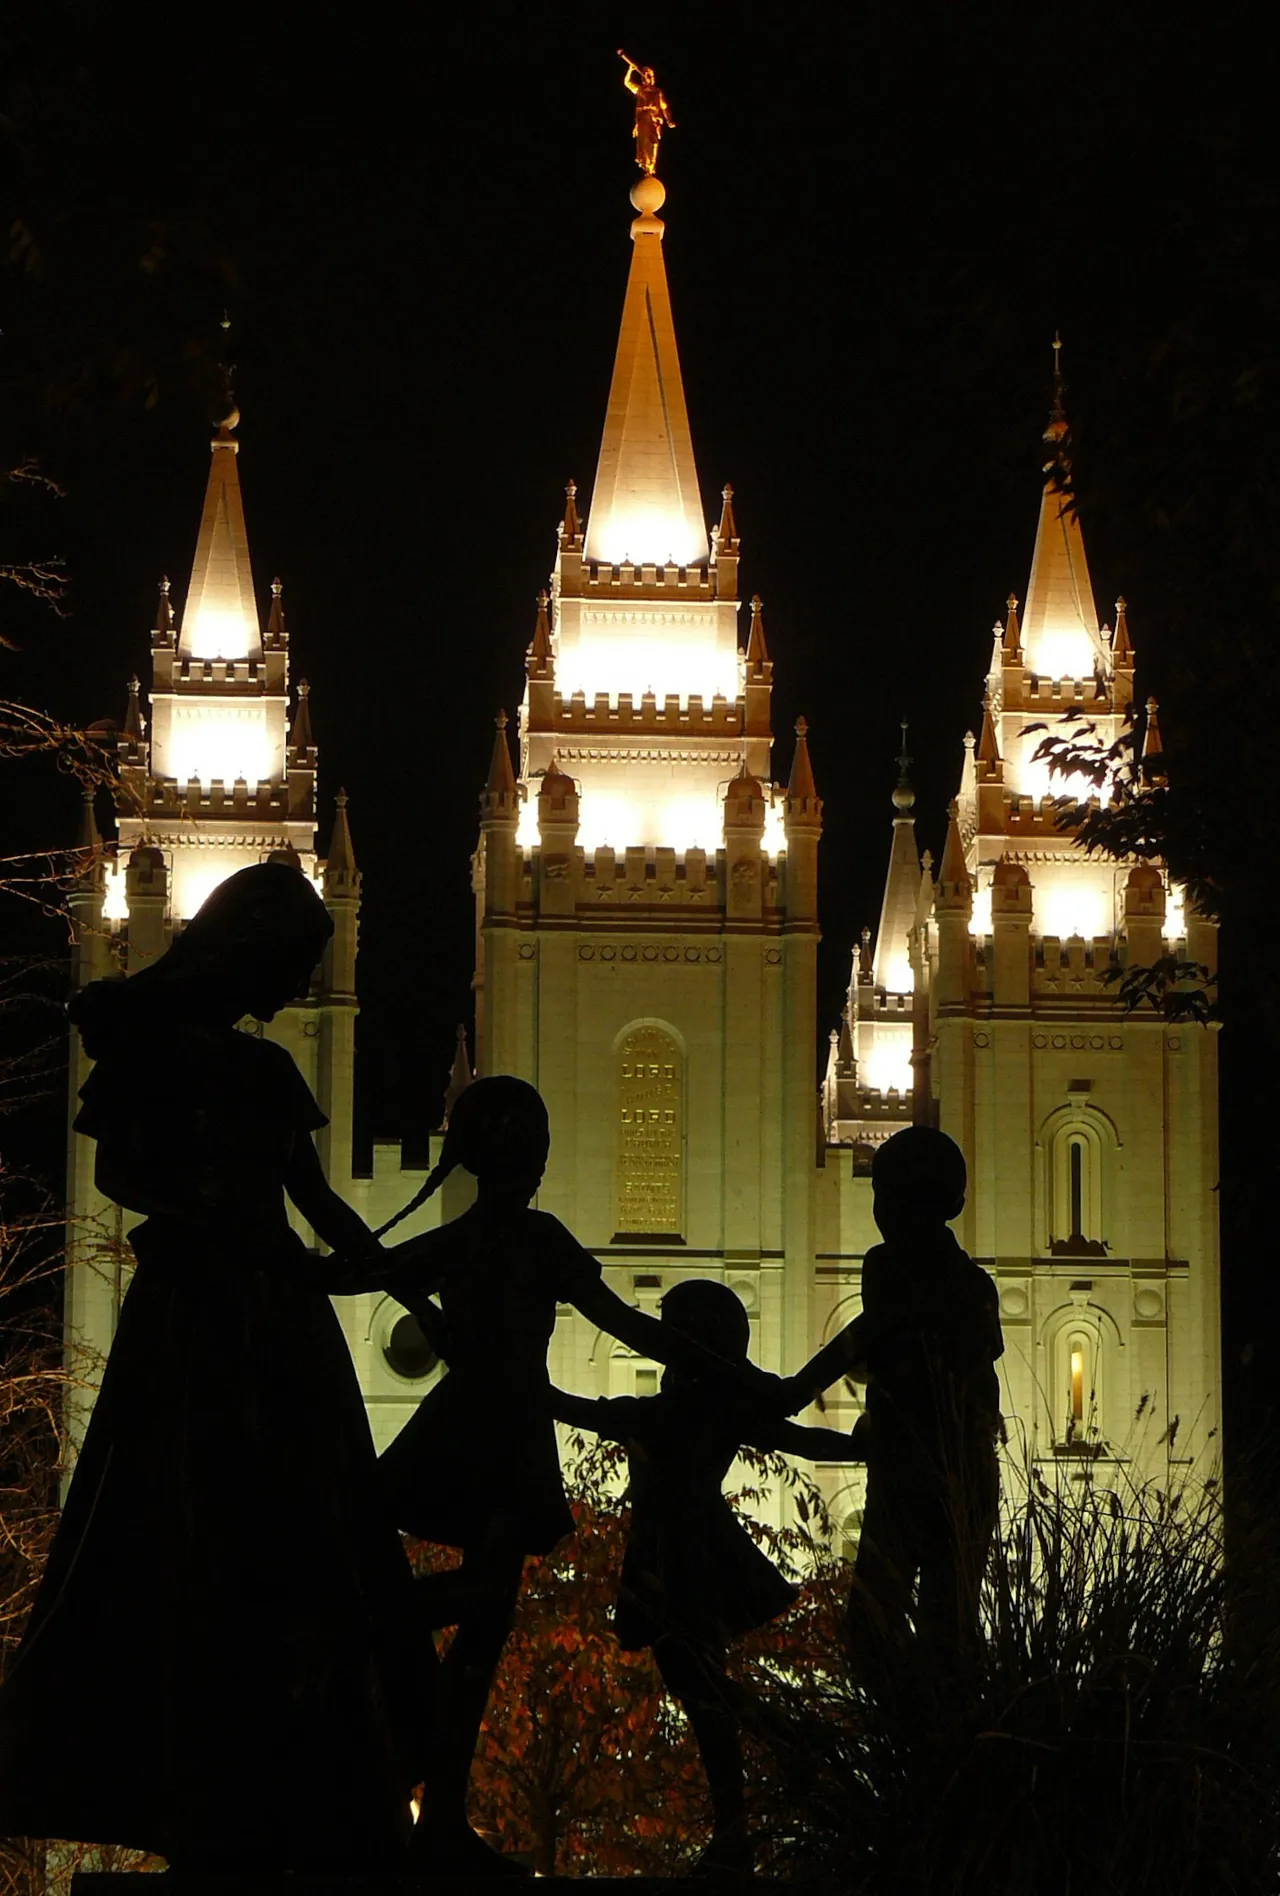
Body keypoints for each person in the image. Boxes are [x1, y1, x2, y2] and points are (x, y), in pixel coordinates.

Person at [0, 863, 428, 1872]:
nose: (294, 987)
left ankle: (309, 1767)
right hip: (196, 1318)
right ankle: (197, 1774)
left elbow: (318, 1203)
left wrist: (392, 1272)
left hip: (278, 1315)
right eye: (291, 964)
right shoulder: (155, 1055)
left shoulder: (272, 1075)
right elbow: (120, 1171)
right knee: (191, 1521)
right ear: (250, 952)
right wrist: (213, 1222)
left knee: (314, 1526)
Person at [368, 1079, 788, 1877]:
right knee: (486, 1610)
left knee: (485, 1629)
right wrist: (742, 1379)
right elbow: (627, 1326)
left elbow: (359, 1268)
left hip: (475, 1424)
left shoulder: (464, 1238)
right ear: (531, 1157)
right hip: (499, 1433)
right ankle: (373, 1627)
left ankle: (442, 1816)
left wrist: (416, 1303)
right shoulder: (538, 1240)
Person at [551, 1278, 854, 1876]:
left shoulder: (681, 1408)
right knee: (700, 1687)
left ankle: (780, 1757)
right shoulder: (716, 1407)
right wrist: (871, 1449)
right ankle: (753, 1797)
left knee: (701, 1687)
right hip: (685, 1553)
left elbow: (582, 1409)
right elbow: (801, 1438)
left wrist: (521, 1387)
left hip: (679, 1556)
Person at [785, 1127, 1003, 1679]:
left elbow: (872, 1335)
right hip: (943, 1474)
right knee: (928, 1630)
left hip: (926, 1477)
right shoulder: (971, 1284)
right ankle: (932, 1730)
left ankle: (929, 1738)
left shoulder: (894, 1270)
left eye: (886, 1195)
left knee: (901, 1628)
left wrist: (796, 1390)